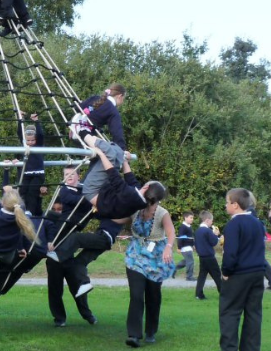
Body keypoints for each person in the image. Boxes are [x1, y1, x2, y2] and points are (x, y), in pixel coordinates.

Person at [124, 182, 175, 348]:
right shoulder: (136, 208)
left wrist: (168, 248)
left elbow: (171, 232)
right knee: (136, 295)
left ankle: (151, 331)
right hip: (135, 257)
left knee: (153, 296)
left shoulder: (162, 213)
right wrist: (102, 208)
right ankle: (134, 335)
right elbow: (120, 218)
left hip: (155, 260)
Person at [46, 166, 97, 327]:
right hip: (56, 249)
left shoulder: (83, 189)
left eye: (71, 174)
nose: (68, 177)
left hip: (68, 251)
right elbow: (79, 201)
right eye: (66, 174)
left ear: (78, 176)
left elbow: (91, 208)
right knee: (55, 289)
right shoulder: (64, 192)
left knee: (77, 287)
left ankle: (87, 315)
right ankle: (59, 319)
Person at [219, 188, 265, 351]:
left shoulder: (233, 224)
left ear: (235, 205)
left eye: (227, 202)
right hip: (258, 272)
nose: (225, 206)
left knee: (230, 313)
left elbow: (230, 253)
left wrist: (225, 272)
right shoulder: (258, 223)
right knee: (254, 314)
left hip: (238, 274)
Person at [0, 185, 39, 265]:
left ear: (2, 203)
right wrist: (12, 192)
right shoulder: (20, 215)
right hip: (9, 253)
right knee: (18, 230)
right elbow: (21, 205)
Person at [73, 83, 127, 151]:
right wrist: (122, 150)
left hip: (75, 131)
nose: (122, 102)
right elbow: (117, 133)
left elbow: (77, 108)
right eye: (123, 99)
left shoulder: (95, 98)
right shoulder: (113, 111)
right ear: (120, 96)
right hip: (87, 138)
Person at [15, 112, 47, 216]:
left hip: (37, 173)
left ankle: (30, 212)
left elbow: (40, 134)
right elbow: (19, 133)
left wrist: (36, 121)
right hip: (25, 173)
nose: (30, 143)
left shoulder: (39, 145)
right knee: (23, 192)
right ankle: (23, 211)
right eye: (28, 140)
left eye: (32, 140)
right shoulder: (24, 145)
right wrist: (21, 119)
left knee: (33, 192)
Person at [194, 210, 222, 300]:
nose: (212, 222)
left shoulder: (197, 231)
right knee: (217, 275)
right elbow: (213, 242)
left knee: (202, 276)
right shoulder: (207, 231)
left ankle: (198, 294)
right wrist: (216, 235)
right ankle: (223, 293)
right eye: (211, 220)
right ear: (207, 220)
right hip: (209, 257)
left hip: (202, 257)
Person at [174, 211, 196, 281]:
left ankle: (173, 269)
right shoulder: (183, 227)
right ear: (185, 218)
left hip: (189, 247)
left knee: (186, 261)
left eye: (192, 218)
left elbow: (190, 237)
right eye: (191, 218)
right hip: (185, 248)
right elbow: (181, 238)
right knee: (190, 261)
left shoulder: (189, 226)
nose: (192, 219)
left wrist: (193, 245)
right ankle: (189, 277)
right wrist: (179, 247)